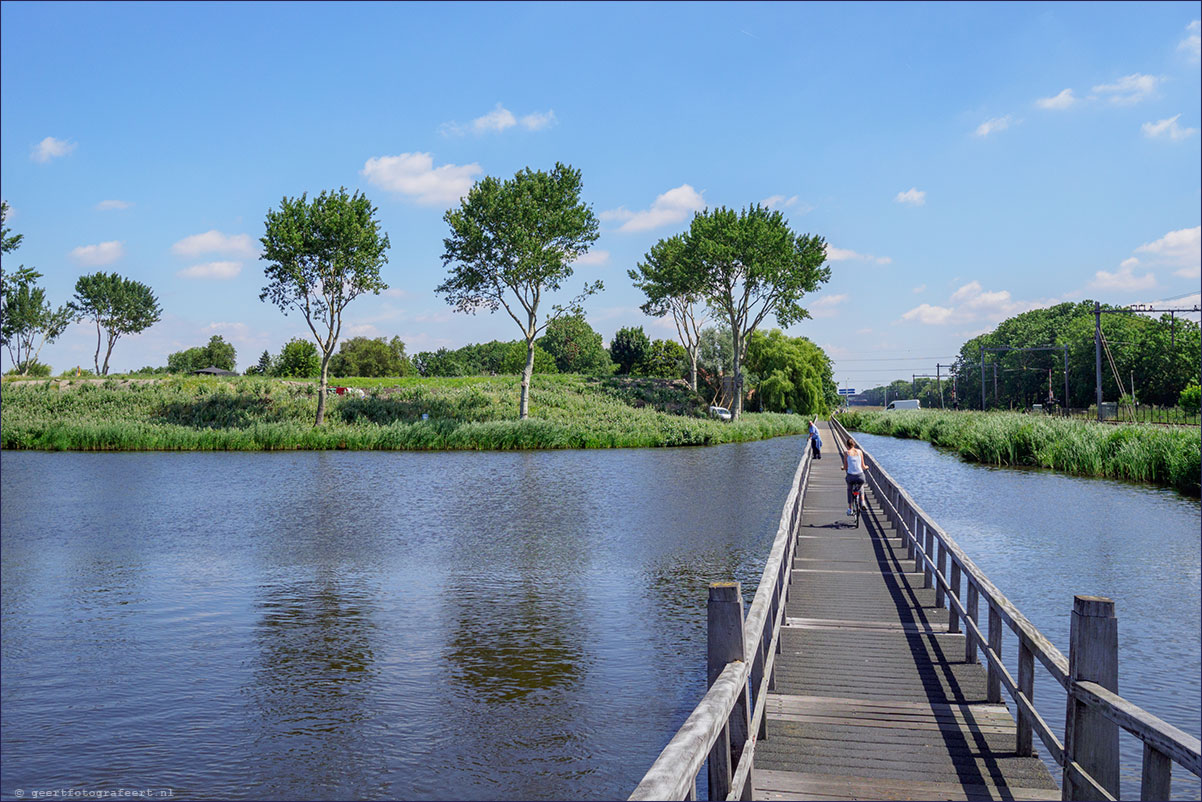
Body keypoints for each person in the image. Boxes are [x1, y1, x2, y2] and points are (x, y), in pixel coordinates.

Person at [841, 436, 866, 516]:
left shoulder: (846, 453)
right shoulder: (860, 452)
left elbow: (845, 467)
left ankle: (850, 509)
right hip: (860, 476)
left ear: (847, 445)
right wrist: (867, 467)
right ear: (854, 444)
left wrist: (843, 468)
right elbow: (863, 466)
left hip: (851, 476)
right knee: (861, 485)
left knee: (849, 489)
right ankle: (862, 502)